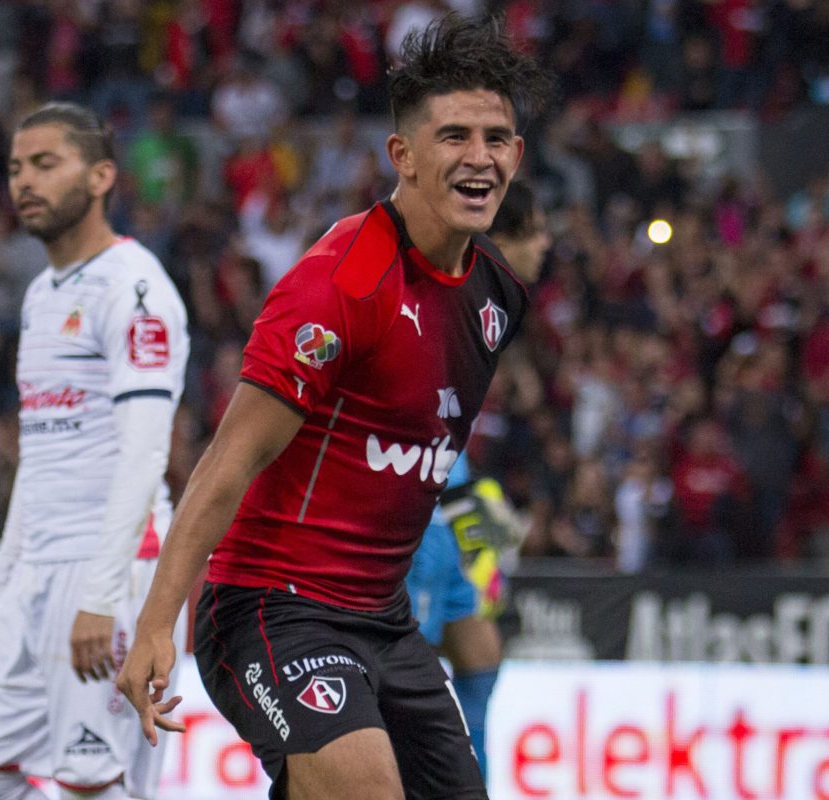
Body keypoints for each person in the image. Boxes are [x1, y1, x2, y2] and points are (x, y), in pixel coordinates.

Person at [117, 15, 553, 800]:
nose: (479, 157)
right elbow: (232, 459)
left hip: (383, 620)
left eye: (496, 138)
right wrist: (157, 623)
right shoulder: (340, 285)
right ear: (404, 156)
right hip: (271, 608)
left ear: (517, 156)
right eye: (454, 136)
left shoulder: (496, 297)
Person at [0, 103, 189, 800]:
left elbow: (146, 452)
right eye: (17, 167)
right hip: (38, 568)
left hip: (110, 565)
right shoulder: (39, 295)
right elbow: (40, 452)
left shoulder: (134, 288)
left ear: (102, 175)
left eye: (46, 164)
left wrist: (101, 594)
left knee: (92, 780)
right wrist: (2, 585)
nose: (25, 181)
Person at [404, 179, 548, 780]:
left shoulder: (497, 307)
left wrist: (472, 523)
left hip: (450, 496)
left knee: (482, 653)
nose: (545, 245)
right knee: (401, 679)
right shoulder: (455, 292)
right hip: (414, 512)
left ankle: (471, 783)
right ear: (506, 237)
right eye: (535, 232)